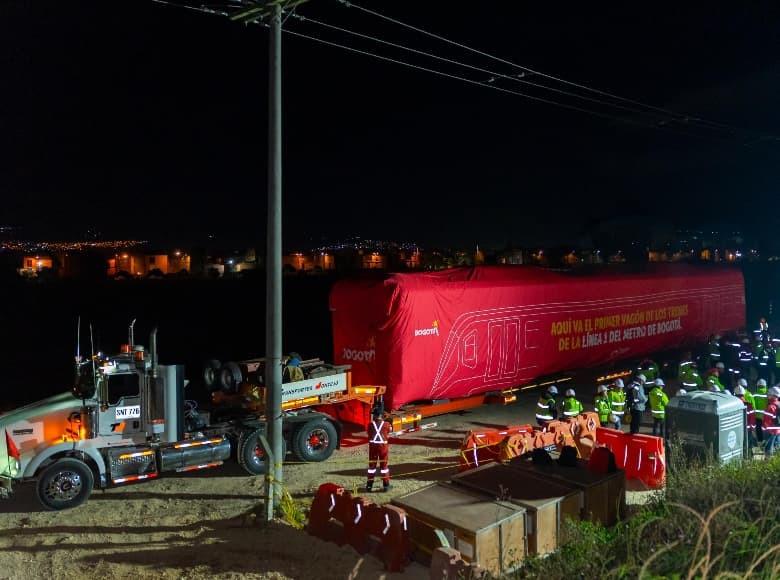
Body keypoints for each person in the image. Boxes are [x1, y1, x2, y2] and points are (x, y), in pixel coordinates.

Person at [366, 402, 391, 492]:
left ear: (375, 415)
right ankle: (386, 485)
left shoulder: (370, 425)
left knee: (371, 468)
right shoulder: (387, 424)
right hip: (383, 448)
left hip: (373, 448)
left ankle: (369, 485)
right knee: (384, 467)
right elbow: (389, 431)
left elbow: (369, 434)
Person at [761, 387, 780, 456]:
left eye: (769, 394)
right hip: (778, 430)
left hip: (770, 431)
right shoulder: (779, 404)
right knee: (777, 448)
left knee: (768, 449)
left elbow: (766, 421)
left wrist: (763, 429)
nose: (768, 395)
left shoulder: (770, 407)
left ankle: (768, 461)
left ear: (773, 395)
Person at [753, 378, 768, 443]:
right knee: (766, 428)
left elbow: (753, 405)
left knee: (758, 428)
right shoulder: (768, 393)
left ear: (757, 385)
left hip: (757, 416)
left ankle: (760, 440)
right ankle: (766, 440)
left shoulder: (754, 394)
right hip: (766, 415)